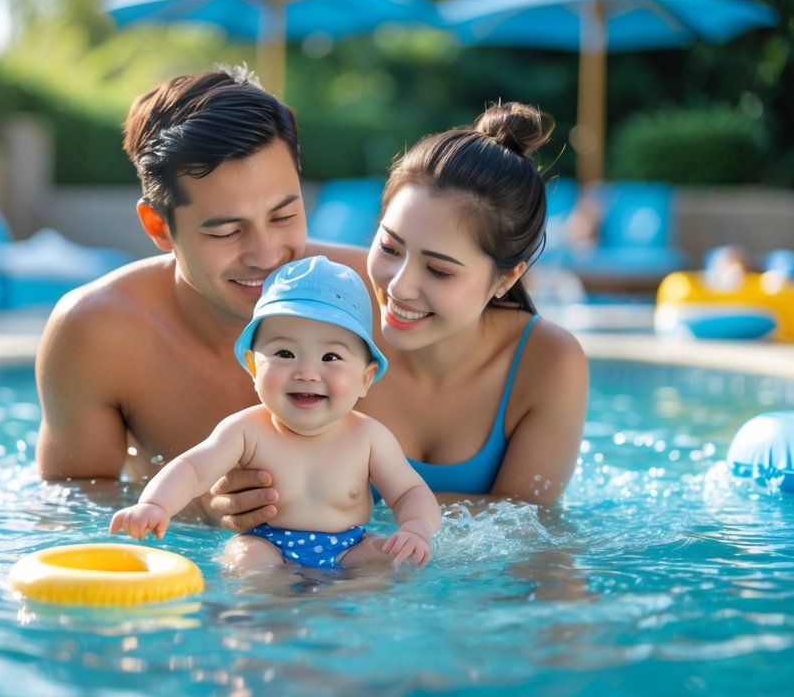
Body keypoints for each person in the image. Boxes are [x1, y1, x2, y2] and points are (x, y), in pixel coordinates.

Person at [210, 101, 589, 517]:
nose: (399, 285)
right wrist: (226, 500)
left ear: (506, 278)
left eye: (440, 270)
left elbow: (527, 527)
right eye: (389, 247)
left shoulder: (548, 362)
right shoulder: (324, 305)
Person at [35, 66, 363, 523]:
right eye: (228, 231)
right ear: (158, 227)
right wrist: (194, 504)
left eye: (284, 216)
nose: (267, 255)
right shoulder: (100, 333)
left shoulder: (371, 294)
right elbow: (68, 502)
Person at [109, 256, 441, 570]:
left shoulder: (369, 438)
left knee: (386, 560)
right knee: (245, 557)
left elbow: (410, 491)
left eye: (331, 357)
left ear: (365, 379)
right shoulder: (245, 431)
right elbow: (192, 469)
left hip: (350, 547)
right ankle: (261, 621)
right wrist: (155, 505)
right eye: (285, 352)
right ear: (253, 366)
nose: (307, 372)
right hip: (267, 545)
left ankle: (350, 625)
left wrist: (416, 529)